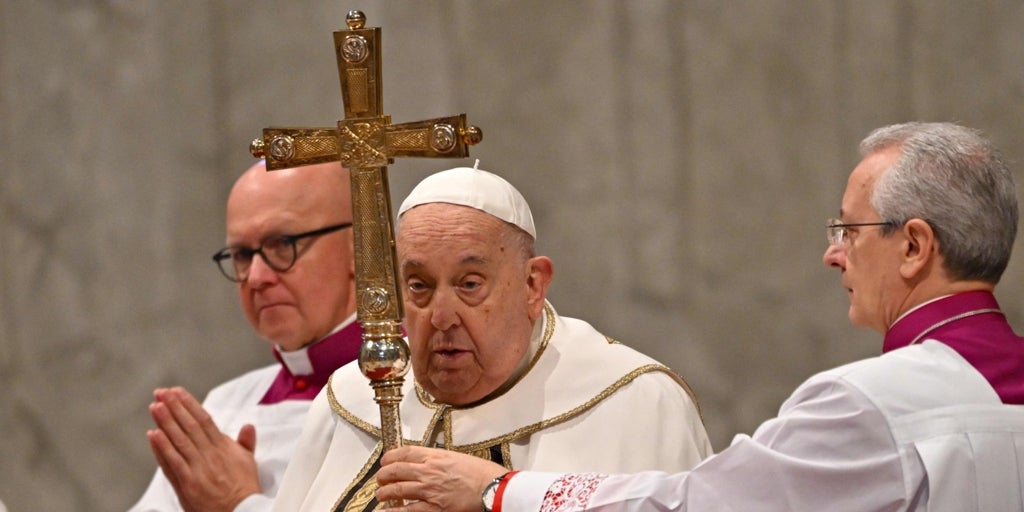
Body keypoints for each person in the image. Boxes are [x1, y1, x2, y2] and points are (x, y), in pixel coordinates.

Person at [374, 122, 1024, 512]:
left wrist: (498, 490)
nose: (833, 254)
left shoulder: (870, 407)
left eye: (848, 230)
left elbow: (691, 506)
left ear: (912, 246)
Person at [270, 165, 713, 512]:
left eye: (469, 284)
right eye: (419, 286)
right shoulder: (349, 403)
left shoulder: (635, 405)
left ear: (533, 285)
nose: (441, 318)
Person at [130, 160, 362, 512]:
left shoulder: (421, 396)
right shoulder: (224, 408)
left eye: (283, 244)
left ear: (360, 247)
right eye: (241, 254)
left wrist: (237, 504)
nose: (256, 277)